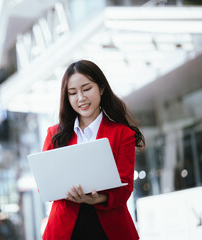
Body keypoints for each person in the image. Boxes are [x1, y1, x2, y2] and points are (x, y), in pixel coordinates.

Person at [41, 60, 145, 240]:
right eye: (72, 93)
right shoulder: (54, 135)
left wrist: (96, 199)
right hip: (65, 229)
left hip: (109, 228)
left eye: (86, 89)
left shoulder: (123, 134)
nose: (80, 98)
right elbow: (45, 185)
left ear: (101, 88)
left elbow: (125, 188)